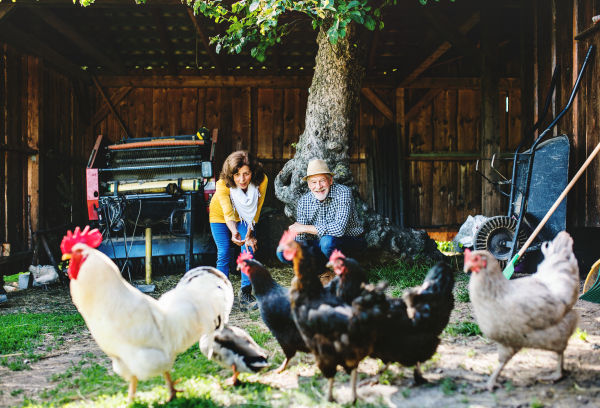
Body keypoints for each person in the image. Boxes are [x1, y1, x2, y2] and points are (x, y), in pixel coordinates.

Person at [276, 159, 367, 276]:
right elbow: (301, 237)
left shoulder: (343, 192)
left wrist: (304, 228)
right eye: (313, 182)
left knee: (327, 242)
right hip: (323, 246)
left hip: (351, 243)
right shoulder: (304, 201)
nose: (318, 186)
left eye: (322, 180)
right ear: (309, 185)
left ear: (330, 180)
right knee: (283, 250)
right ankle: (323, 273)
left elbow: (338, 229)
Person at [210, 151, 267, 311]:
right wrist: (235, 232)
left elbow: (257, 209)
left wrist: (248, 235)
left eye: (246, 174)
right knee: (224, 252)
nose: (242, 180)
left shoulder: (261, 180)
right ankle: (222, 298)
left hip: (246, 216)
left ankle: (245, 295)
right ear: (230, 174)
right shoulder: (223, 183)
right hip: (220, 216)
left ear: (253, 173)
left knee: (247, 251)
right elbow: (228, 213)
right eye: (237, 174)